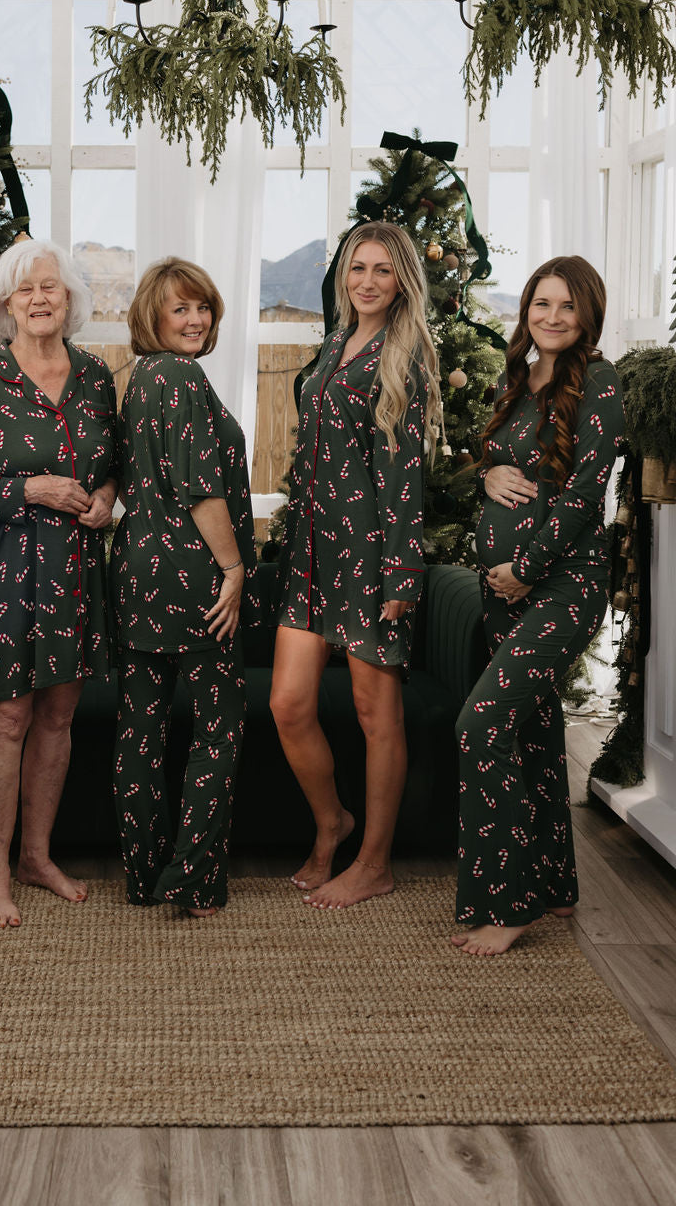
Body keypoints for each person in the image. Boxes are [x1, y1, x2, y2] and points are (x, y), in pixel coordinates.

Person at [0, 239, 117, 929]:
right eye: (25, 290)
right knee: (5, 719)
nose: (40, 298)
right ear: (4, 305)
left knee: (57, 716)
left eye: (51, 286)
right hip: (3, 573)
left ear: (69, 299)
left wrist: (106, 495)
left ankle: (37, 857)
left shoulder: (97, 377)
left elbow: (115, 464)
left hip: (74, 572)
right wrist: (32, 487)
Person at [452, 256, 623, 956]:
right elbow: (491, 463)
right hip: (503, 588)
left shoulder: (602, 383)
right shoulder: (515, 378)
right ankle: (554, 883)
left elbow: (585, 495)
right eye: (541, 303)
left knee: (480, 723)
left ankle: (510, 899)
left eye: (566, 307)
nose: (551, 317)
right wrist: (486, 468)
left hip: (561, 584)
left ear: (586, 316)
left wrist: (524, 568)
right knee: (535, 731)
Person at [270, 221, 441, 909]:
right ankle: (331, 821)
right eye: (357, 268)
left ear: (402, 281)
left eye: (382, 270)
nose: (366, 280)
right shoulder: (336, 342)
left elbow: (404, 473)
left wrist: (402, 574)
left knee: (378, 716)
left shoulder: (408, 358)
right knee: (288, 704)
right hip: (311, 553)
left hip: (372, 557)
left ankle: (373, 861)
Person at [110, 257, 257, 919]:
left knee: (140, 727)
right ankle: (193, 876)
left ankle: (145, 873)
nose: (195, 319)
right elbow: (201, 490)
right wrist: (232, 568)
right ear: (153, 315)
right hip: (193, 574)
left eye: (203, 307)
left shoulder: (139, 376)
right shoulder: (183, 377)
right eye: (180, 308)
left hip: (138, 570)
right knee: (217, 724)